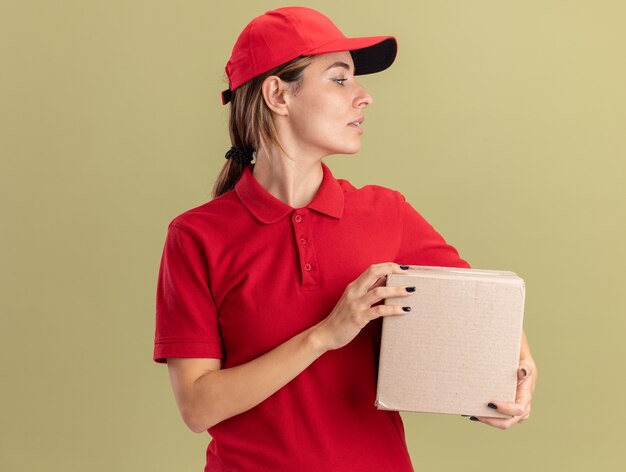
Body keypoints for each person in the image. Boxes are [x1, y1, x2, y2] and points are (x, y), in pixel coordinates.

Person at [153, 6, 537, 471]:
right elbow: (198, 407)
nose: (364, 96)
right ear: (278, 94)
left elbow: (482, 310)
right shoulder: (196, 236)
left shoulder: (386, 213)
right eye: (340, 79)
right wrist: (324, 336)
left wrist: (512, 374)